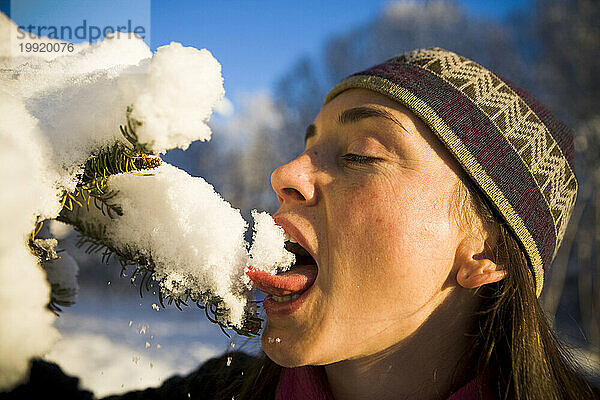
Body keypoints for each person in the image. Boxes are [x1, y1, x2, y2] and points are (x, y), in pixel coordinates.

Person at [2, 47, 598, 400]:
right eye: (306, 145)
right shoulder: (222, 394)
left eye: (361, 154)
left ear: (486, 250)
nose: (284, 174)